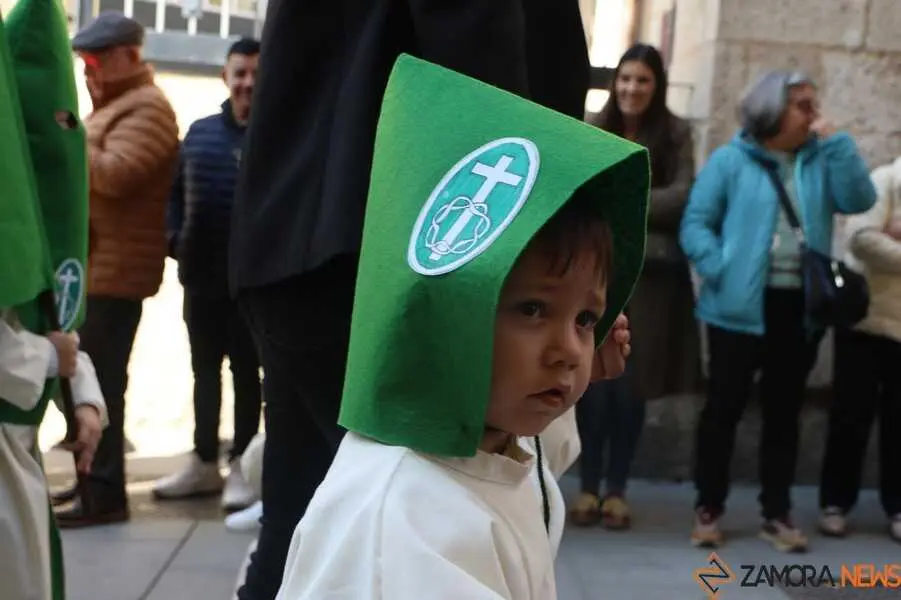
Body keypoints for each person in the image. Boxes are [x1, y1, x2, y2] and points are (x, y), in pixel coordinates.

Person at [229, 2, 592, 596]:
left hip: (296, 231)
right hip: (411, 244)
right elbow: (477, 42)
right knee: (444, 508)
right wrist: (542, 241)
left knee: (304, 518)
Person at [273, 54, 648, 600]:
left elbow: (533, 465)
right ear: (446, 310)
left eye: (586, 317)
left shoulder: (485, 438)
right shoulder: (400, 521)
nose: (568, 351)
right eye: (533, 310)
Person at [680, 69, 876, 551]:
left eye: (813, 103)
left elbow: (860, 198)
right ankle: (709, 506)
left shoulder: (821, 159)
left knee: (784, 414)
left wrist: (839, 144)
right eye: (802, 105)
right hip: (736, 308)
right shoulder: (731, 160)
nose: (813, 114)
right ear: (772, 110)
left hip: (798, 307)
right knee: (722, 410)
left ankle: (777, 512)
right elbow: (696, 222)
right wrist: (718, 265)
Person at [52, 11, 180, 527]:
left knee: (100, 386)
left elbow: (115, 175)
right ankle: (91, 483)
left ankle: (103, 494)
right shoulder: (119, 106)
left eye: (96, 60)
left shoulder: (147, 107)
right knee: (87, 384)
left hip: (115, 274)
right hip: (100, 268)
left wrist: (71, 133)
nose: (89, 71)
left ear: (130, 55)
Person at [571, 43, 699, 530]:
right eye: (625, 78)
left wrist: (621, 199)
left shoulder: (677, 133)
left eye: (642, 80)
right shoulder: (594, 128)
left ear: (657, 85)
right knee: (592, 385)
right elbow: (584, 189)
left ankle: (618, 489)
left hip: (653, 282)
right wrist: (642, 201)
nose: (631, 88)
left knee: (631, 388)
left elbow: (684, 195)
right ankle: (587, 487)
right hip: (596, 274)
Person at [154, 37, 262, 512]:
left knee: (246, 376)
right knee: (203, 373)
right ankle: (202, 460)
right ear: (225, 75)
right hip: (200, 283)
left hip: (251, 287)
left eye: (257, 74)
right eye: (240, 73)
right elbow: (174, 193)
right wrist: (174, 237)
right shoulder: (198, 133)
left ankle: (241, 462)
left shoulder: (276, 140)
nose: (248, 83)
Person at [819, 157, 901, 543]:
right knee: (850, 418)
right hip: (865, 321)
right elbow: (863, 239)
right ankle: (835, 503)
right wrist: (886, 236)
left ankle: (898, 506)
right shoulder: (884, 180)